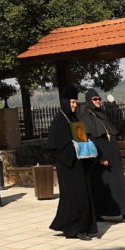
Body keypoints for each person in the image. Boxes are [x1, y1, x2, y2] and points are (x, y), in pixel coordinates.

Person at [79, 89, 125, 222]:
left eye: (98, 99)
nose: (97, 101)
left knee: (112, 185)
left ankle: (100, 213)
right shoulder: (86, 117)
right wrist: (101, 158)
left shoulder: (99, 114)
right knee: (109, 186)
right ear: (89, 101)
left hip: (112, 158)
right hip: (103, 159)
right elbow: (91, 140)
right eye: (94, 99)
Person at [47, 86, 98, 240]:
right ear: (65, 103)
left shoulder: (74, 119)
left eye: (76, 102)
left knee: (82, 195)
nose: (75, 105)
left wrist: (86, 146)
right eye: (73, 102)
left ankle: (78, 225)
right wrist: (73, 149)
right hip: (68, 166)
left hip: (79, 164)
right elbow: (55, 146)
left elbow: (80, 137)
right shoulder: (59, 121)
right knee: (76, 197)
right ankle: (76, 229)